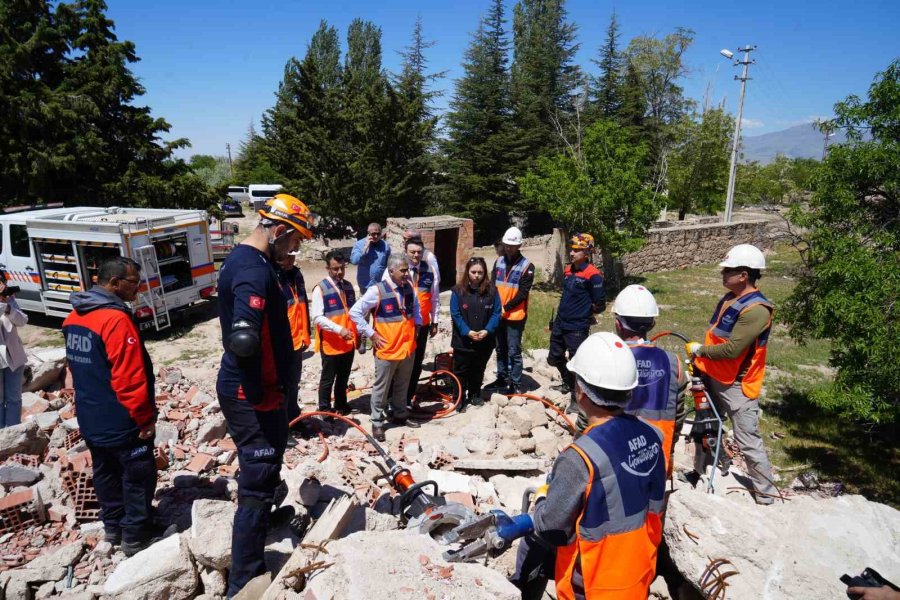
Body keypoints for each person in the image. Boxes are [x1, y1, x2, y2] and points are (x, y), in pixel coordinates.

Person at [505, 332, 667, 599]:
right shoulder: (652, 436)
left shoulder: (579, 458)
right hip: (640, 571)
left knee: (534, 540)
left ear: (580, 391)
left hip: (594, 585)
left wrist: (543, 498)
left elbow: (550, 526)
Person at [216, 193, 316, 596]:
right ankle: (244, 579)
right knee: (257, 483)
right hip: (252, 393)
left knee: (269, 463)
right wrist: (261, 395)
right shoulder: (252, 271)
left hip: (261, 388)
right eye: (294, 241)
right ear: (277, 230)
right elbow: (243, 338)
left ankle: (266, 522)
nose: (294, 250)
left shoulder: (251, 262)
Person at [62, 257, 158, 556]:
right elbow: (129, 377)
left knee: (105, 472)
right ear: (114, 283)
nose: (138, 289)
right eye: (134, 283)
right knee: (137, 475)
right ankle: (136, 536)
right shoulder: (115, 320)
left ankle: (113, 528)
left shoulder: (74, 317)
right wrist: (144, 418)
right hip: (122, 417)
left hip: (91, 415)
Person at [685, 244, 778, 505]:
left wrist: (700, 351)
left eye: (728, 270)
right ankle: (701, 473)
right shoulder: (730, 299)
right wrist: (701, 362)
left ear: (744, 275)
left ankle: (766, 494)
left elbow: (732, 350)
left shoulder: (757, 309)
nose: (722, 273)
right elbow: (718, 337)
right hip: (712, 375)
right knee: (705, 427)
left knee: (747, 440)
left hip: (737, 385)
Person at [613, 284, 687, 475]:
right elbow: (678, 416)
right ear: (652, 324)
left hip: (613, 465)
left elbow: (589, 415)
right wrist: (670, 450)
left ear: (618, 324)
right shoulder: (673, 363)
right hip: (656, 464)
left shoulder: (610, 358)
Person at [349, 254, 422, 442]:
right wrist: (371, 334)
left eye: (407, 270)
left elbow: (416, 308)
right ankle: (377, 421)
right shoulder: (377, 290)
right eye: (403, 270)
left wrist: (418, 325)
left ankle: (400, 414)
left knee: (402, 384)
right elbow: (355, 312)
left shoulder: (408, 287)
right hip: (387, 349)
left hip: (407, 348)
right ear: (391, 271)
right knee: (382, 387)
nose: (407, 273)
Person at [547, 233, 605, 409]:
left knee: (576, 363)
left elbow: (600, 304)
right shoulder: (568, 270)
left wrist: (585, 314)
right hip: (560, 322)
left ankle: (576, 398)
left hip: (577, 327)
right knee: (554, 357)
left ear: (586, 252)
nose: (571, 253)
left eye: (576, 250)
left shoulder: (593, 275)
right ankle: (567, 382)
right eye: (571, 249)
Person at [389, 236, 439, 405]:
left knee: (416, 361)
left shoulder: (430, 270)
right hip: (400, 325)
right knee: (397, 361)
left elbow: (435, 297)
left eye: (419, 252)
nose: (416, 255)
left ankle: (408, 397)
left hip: (422, 324)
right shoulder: (395, 269)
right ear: (405, 252)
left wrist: (435, 321)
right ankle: (391, 398)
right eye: (412, 252)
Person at [486, 226, 535, 395]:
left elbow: (522, 293)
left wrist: (505, 307)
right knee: (500, 349)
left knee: (514, 351)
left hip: (515, 316)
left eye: (512, 246)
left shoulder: (527, 266)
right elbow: (492, 286)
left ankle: (516, 383)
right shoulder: (498, 262)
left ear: (519, 245)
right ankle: (501, 378)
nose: (508, 248)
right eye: (506, 245)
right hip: (499, 314)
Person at [450, 257, 502, 411]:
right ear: (468, 272)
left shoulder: (492, 291)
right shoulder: (457, 291)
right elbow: (455, 314)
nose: (477, 275)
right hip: (463, 341)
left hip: (485, 340)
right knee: (461, 370)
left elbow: (497, 312)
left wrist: (488, 330)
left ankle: (474, 394)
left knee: (478, 369)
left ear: (485, 273)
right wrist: (467, 331)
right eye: (473, 272)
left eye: (480, 272)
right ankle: (459, 398)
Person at [311, 250, 357, 414]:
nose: (339, 272)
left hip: (348, 341)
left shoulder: (349, 287)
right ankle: (324, 409)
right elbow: (317, 318)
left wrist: (358, 335)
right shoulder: (320, 289)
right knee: (327, 379)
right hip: (330, 343)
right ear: (327, 269)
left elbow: (353, 313)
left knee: (343, 376)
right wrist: (339, 330)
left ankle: (341, 404)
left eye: (342, 268)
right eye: (335, 269)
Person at [277, 251, 310, 429]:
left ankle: (294, 417)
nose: (290, 260)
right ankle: (282, 425)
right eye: (286, 256)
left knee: (293, 382)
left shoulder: (296, 275)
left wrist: (306, 334)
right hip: (282, 343)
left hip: (298, 340)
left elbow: (303, 306)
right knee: (281, 385)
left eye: (293, 256)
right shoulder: (273, 277)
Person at [0, 276, 28, 428]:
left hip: (14, 357)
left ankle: (14, 431)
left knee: (14, 398)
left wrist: (8, 308)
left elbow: (23, 320)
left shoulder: (8, 300)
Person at [350, 222, 390, 296]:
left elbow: (388, 264)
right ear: (368, 233)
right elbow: (354, 261)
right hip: (365, 285)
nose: (376, 236)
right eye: (373, 234)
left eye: (378, 234)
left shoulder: (385, 245)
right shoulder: (359, 244)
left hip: (380, 285)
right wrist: (365, 248)